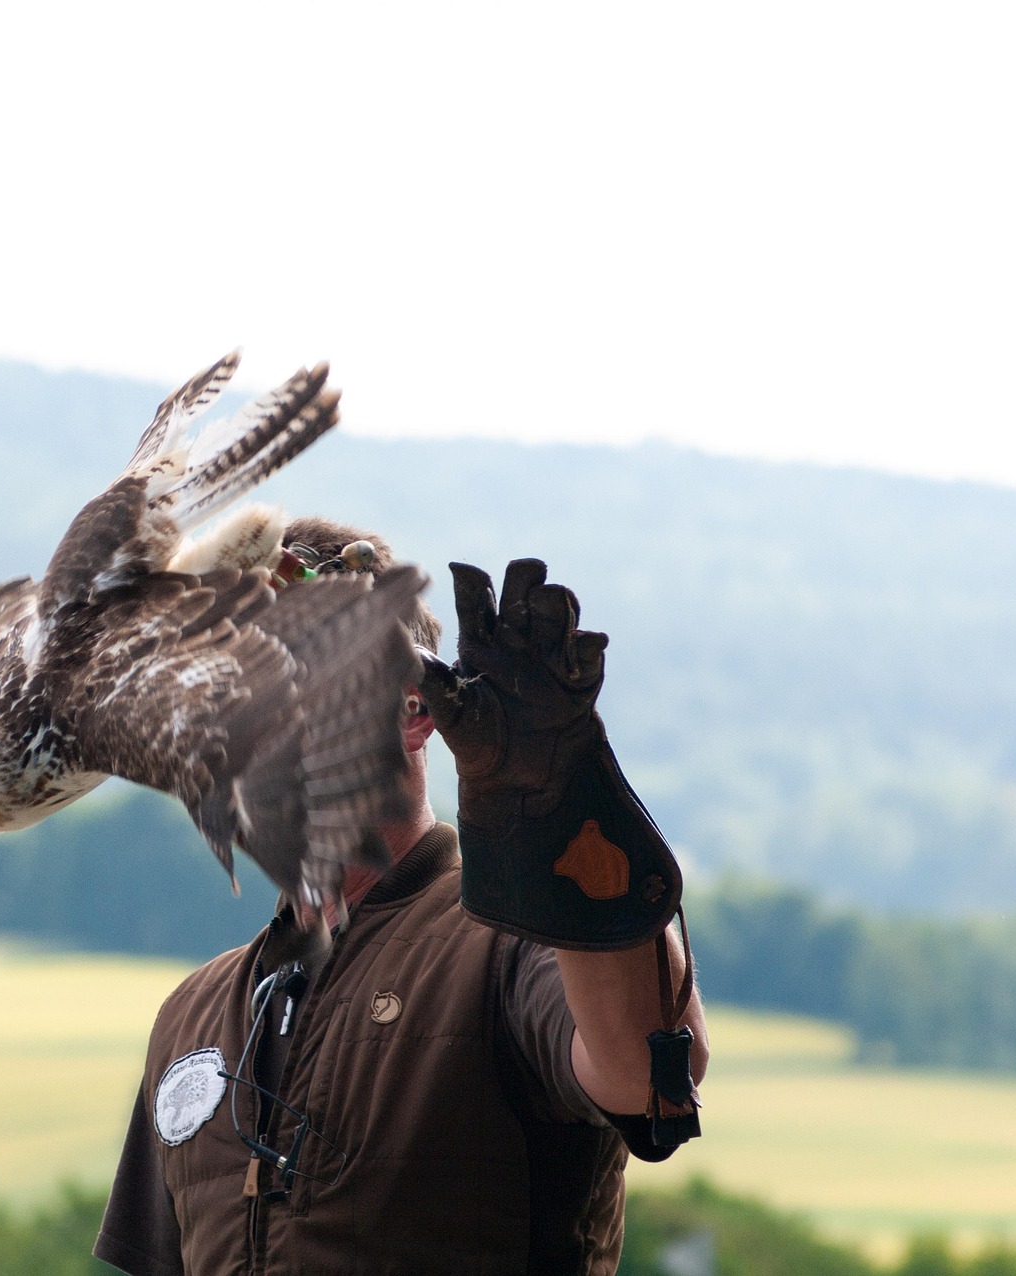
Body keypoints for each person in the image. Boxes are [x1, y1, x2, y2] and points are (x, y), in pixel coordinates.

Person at [93, 518, 709, 1276]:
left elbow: (653, 1081)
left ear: (415, 711)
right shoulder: (189, 1016)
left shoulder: (512, 935)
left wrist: (563, 808)